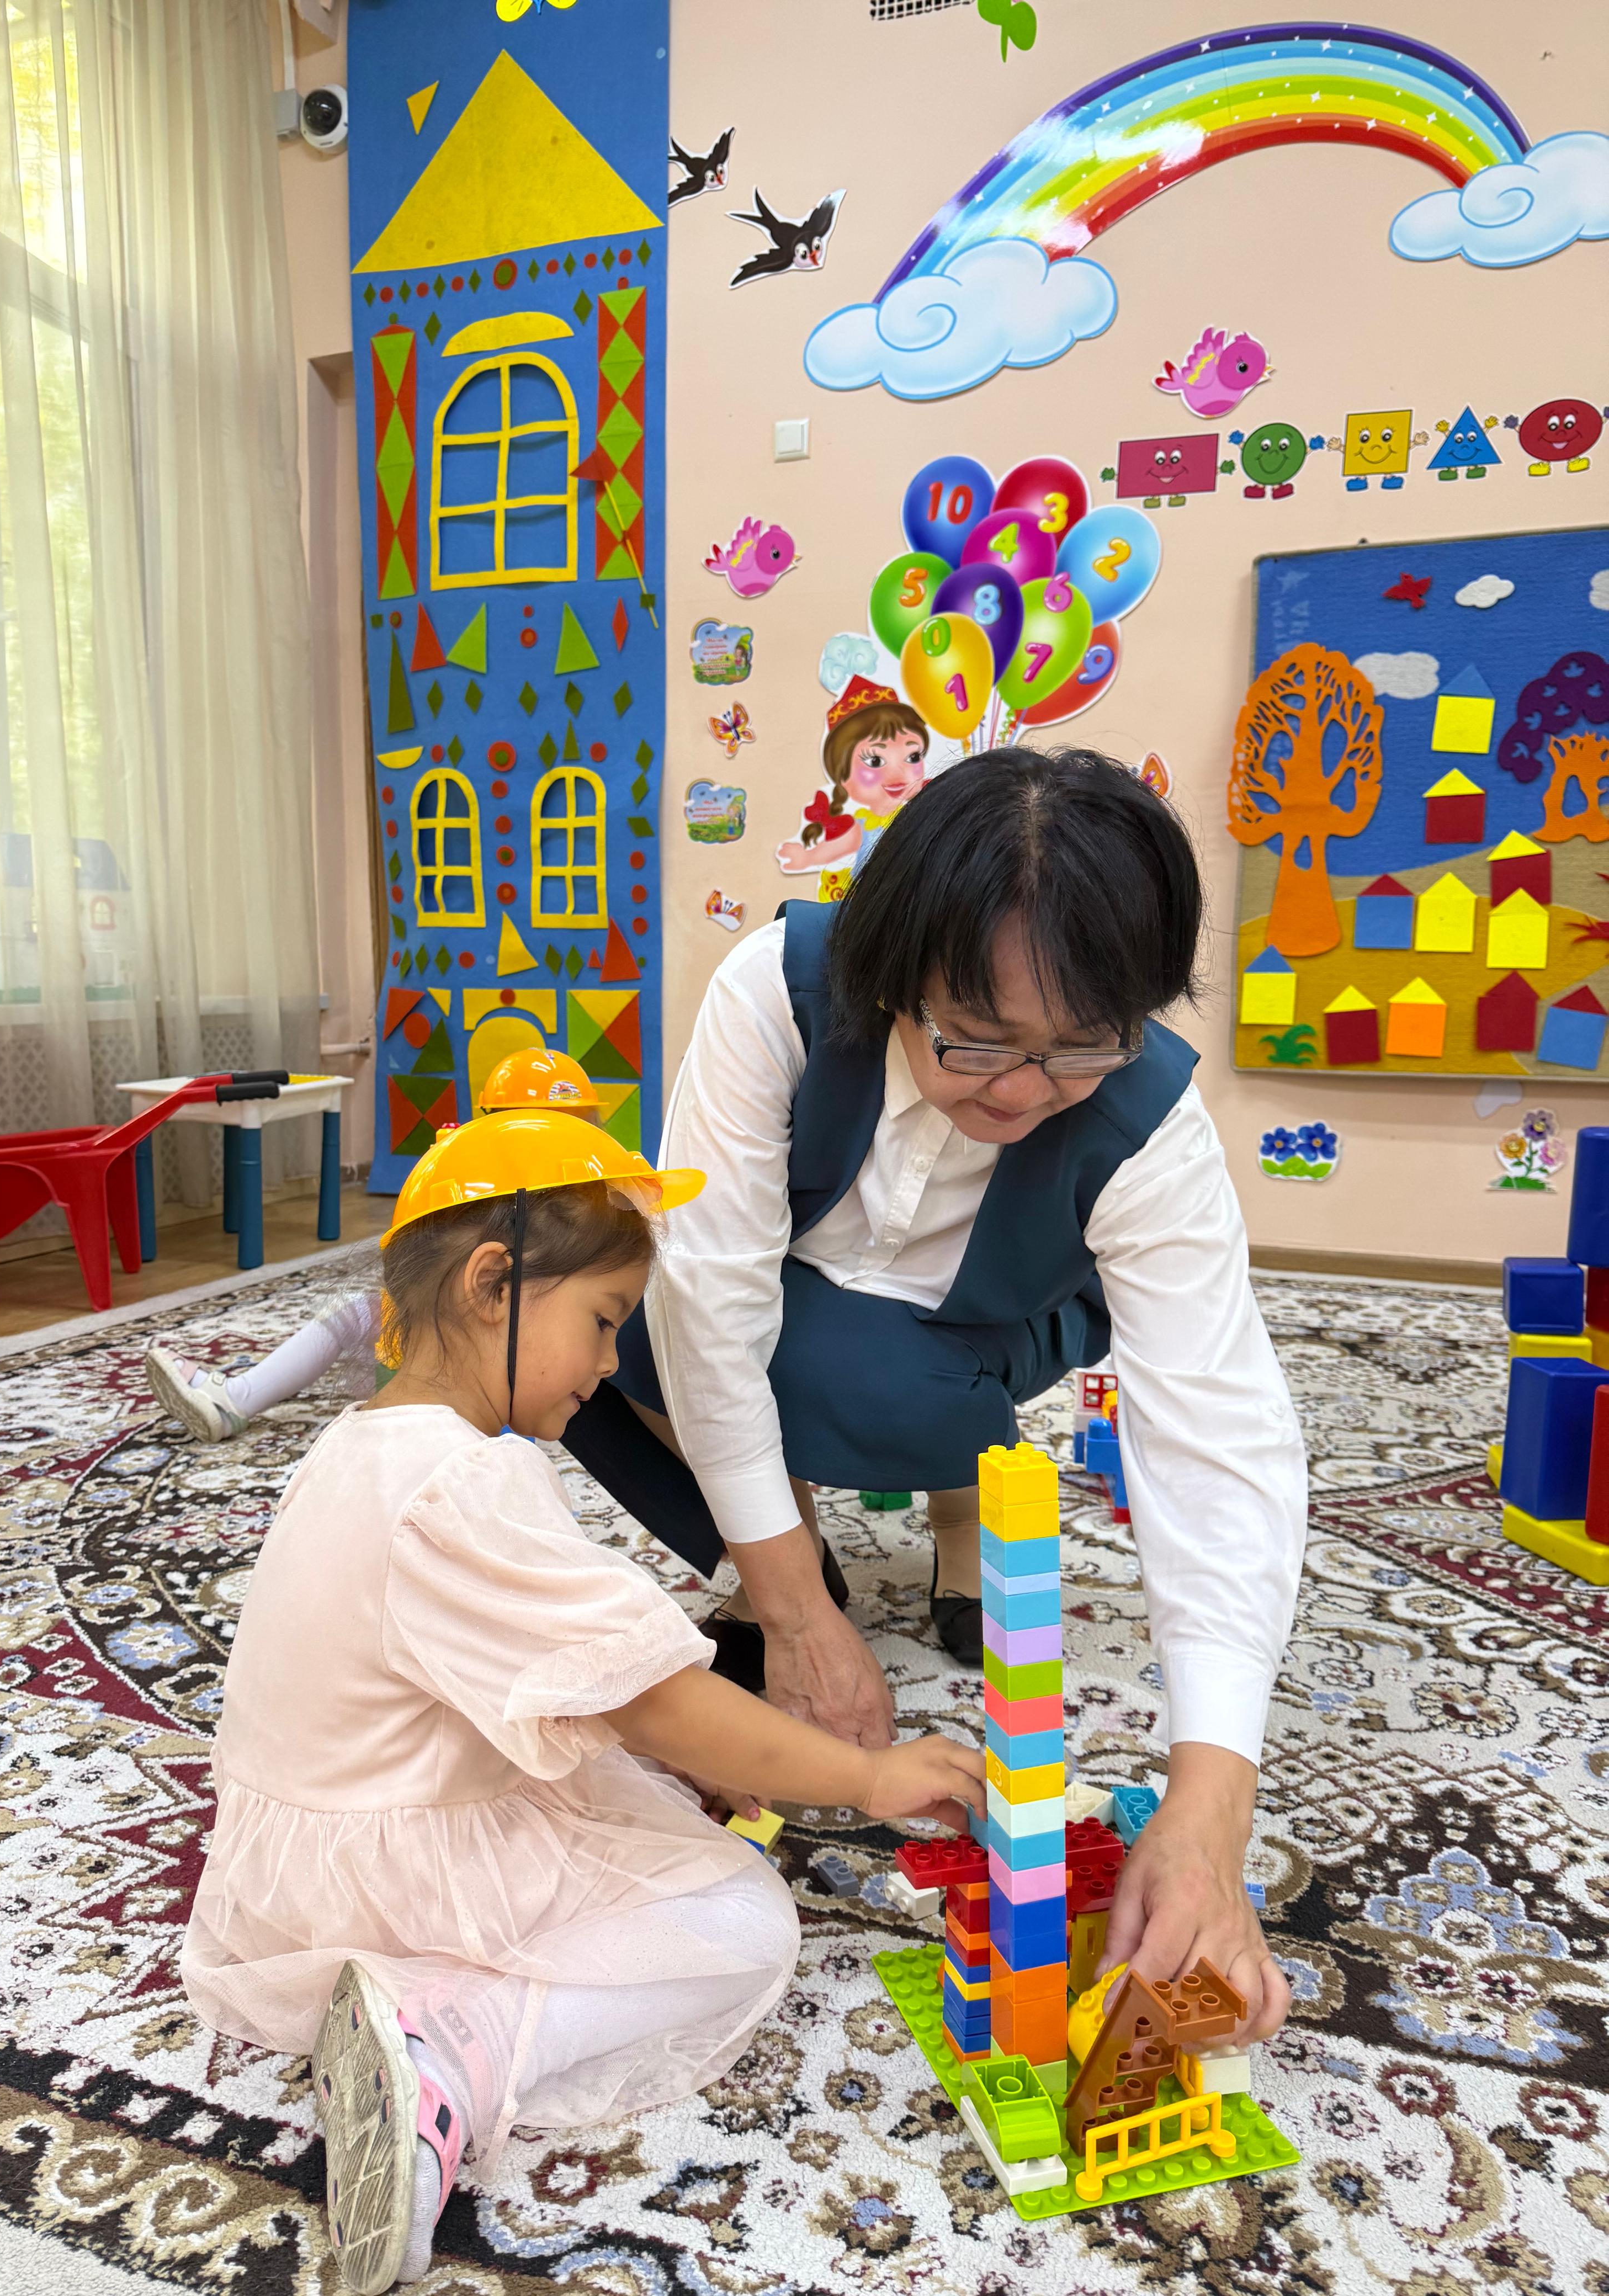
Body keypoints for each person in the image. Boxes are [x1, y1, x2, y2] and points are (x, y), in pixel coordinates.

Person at [561, 746, 1306, 2042]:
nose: (1019, 1089)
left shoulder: (1148, 1120)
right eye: (976, 1038)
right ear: (894, 972)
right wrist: (795, 1612)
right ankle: (793, 1556)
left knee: (861, 1371)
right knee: (579, 1327)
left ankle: (954, 1502)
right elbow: (709, 1302)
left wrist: (1208, 1810)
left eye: (1078, 1048)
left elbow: (1219, 1437)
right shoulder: (780, 992)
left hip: (982, 1328)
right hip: (803, 1298)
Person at [181, 1109, 984, 2295]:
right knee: (740, 1921)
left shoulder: (361, 1442)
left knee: (638, 1787)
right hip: (377, 1865)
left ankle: (437, 2014)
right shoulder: (463, 1478)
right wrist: (867, 1777)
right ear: (491, 1286)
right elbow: (654, 1699)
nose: (611, 1365)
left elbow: (529, 1678)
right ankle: (454, 2042)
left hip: (287, 1857)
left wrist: (675, 1753)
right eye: (603, 1322)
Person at [144, 1048, 602, 1442]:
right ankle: (236, 1399)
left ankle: (238, 1399)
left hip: (484, 1365)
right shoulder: (489, 1177)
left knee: (370, 1323)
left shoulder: (584, 1201)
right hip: (445, 1348)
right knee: (358, 1313)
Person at [774, 676, 929, 892]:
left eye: (913, 757)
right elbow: (837, 847)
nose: (897, 772)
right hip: (872, 899)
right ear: (842, 774)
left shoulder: (921, 816)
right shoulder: (865, 826)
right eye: (875, 761)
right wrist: (807, 857)